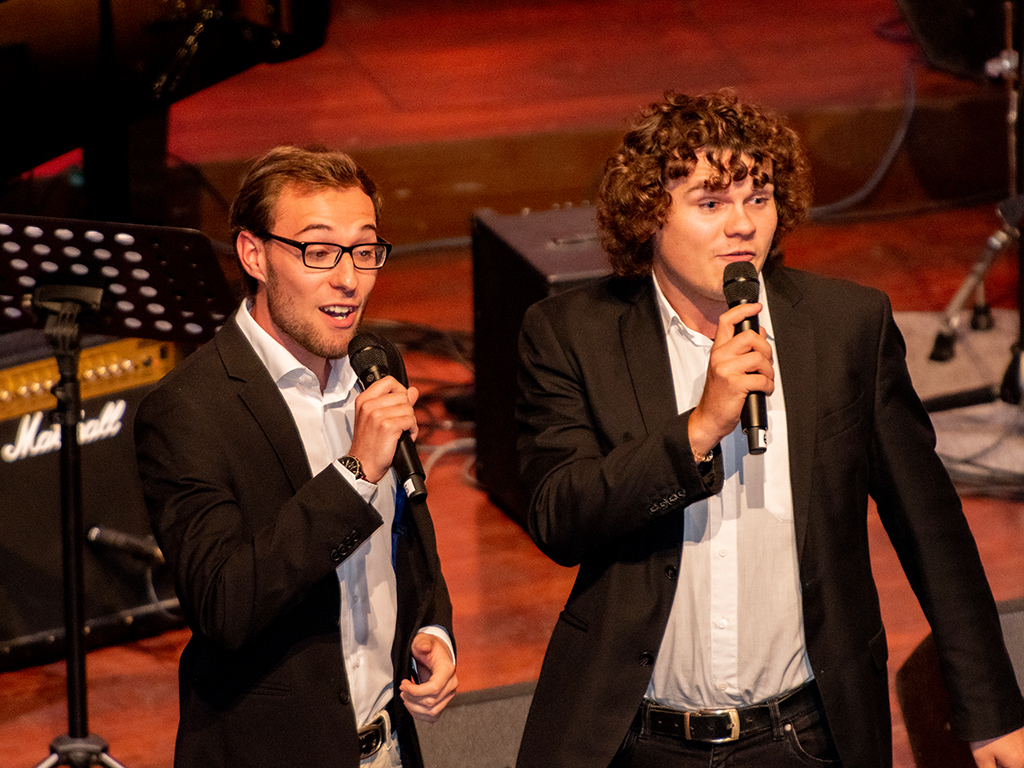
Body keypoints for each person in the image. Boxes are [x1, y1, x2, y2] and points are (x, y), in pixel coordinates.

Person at [514, 91, 1024, 768]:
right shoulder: (572, 334)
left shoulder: (846, 327)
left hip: (805, 735)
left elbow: (932, 529)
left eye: (759, 198)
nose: (742, 225)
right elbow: (559, 517)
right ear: (647, 214)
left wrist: (991, 713)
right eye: (710, 203)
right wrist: (700, 428)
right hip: (633, 737)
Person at [134, 145, 457, 768]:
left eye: (364, 251)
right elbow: (224, 605)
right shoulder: (187, 410)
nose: (349, 279)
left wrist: (432, 626)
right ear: (253, 254)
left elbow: (409, 533)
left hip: (389, 747)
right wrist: (354, 474)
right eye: (319, 251)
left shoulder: (375, 364)